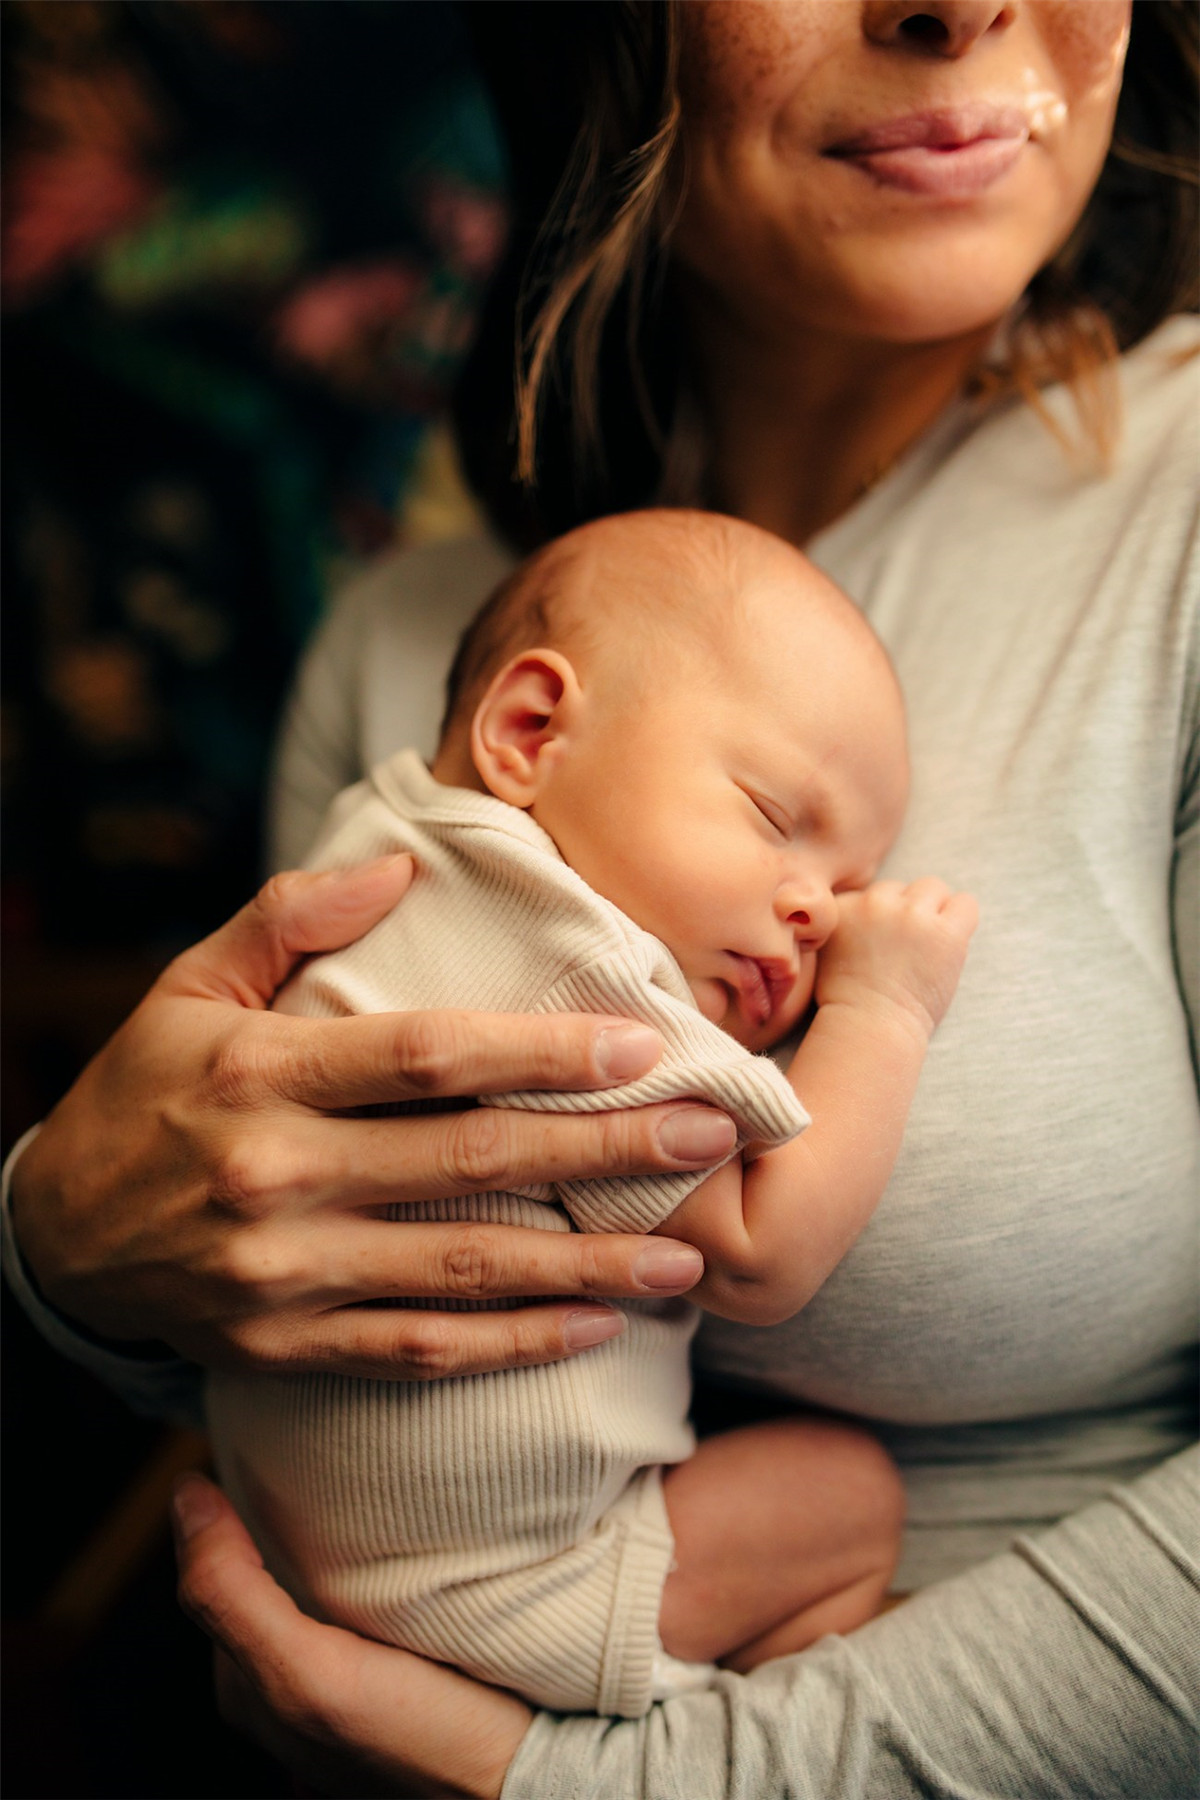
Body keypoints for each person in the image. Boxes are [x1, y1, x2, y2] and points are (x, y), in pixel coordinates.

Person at [5, 1, 1198, 1795]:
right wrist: (68, 1255)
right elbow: (304, 1361)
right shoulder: (411, 633)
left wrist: (625, 1786)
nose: (953, 3)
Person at [208, 508, 976, 1716]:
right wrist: (884, 1008)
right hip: (505, 1596)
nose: (819, 913)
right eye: (777, 820)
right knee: (847, 1494)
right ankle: (742, 1709)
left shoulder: (388, 840)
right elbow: (765, 1254)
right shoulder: (576, 967)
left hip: (323, 1562)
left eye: (849, 888)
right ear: (531, 731)